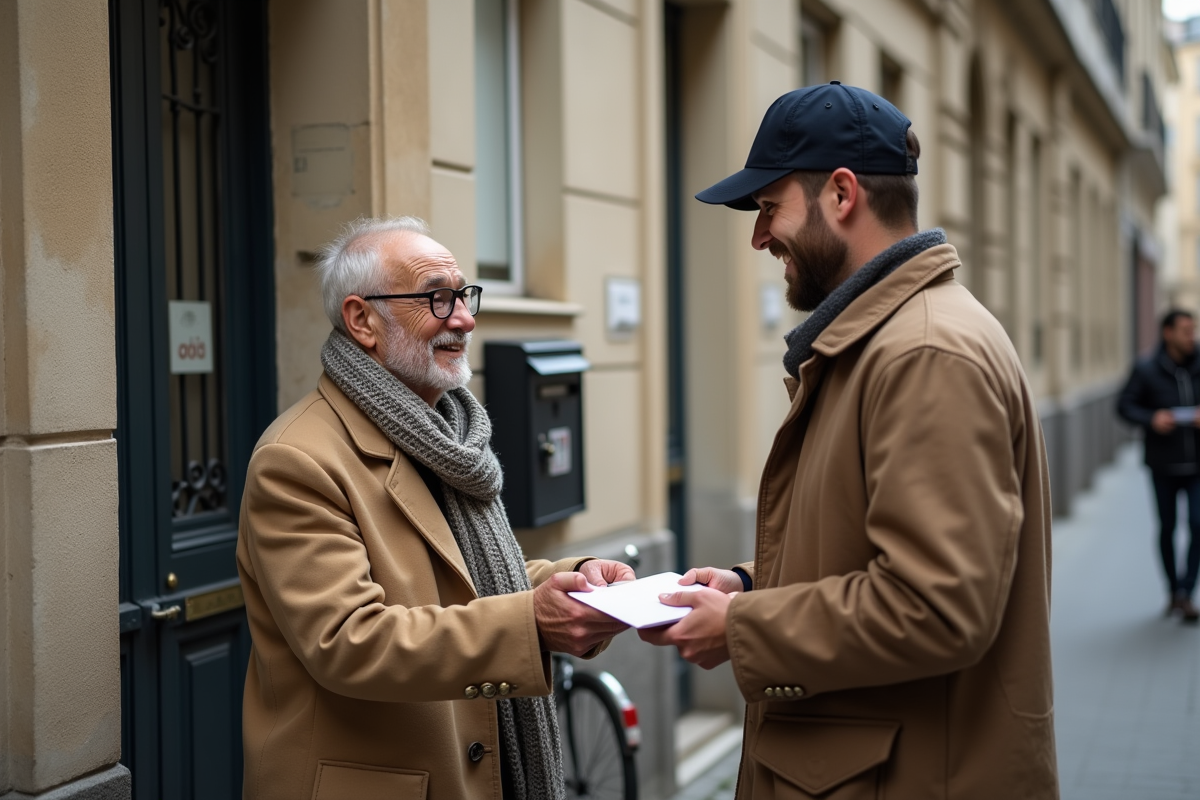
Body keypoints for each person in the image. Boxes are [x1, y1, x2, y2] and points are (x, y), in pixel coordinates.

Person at [639, 83, 1058, 799]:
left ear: (841, 194)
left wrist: (743, 626)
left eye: (769, 208)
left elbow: (937, 606)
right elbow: (872, 547)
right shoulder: (886, 340)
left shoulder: (924, 353)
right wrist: (749, 585)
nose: (759, 236)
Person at [236, 216, 631, 800]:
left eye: (465, 295)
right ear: (362, 320)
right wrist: (531, 624)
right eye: (436, 299)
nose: (465, 319)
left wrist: (573, 585)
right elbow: (349, 640)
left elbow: (469, 584)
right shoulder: (296, 460)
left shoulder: (449, 437)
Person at [1117, 309, 1200, 623]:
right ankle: (1172, 590)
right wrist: (1151, 419)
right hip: (1163, 464)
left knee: (1197, 524)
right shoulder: (1147, 368)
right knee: (1167, 528)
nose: (1191, 336)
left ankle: (1186, 592)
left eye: (1193, 330)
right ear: (1167, 333)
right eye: (1184, 331)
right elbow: (1124, 405)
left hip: (1197, 465)